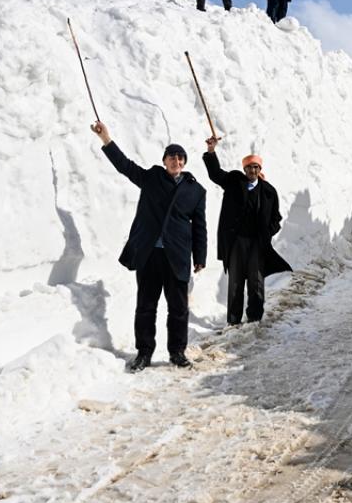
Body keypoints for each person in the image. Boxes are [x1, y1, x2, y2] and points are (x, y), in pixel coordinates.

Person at [91, 121, 207, 372]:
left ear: (184, 162)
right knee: (145, 307)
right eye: (171, 157)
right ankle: (144, 352)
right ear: (164, 161)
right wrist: (106, 139)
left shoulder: (196, 190)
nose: (176, 161)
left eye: (180, 157)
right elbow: (125, 166)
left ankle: (177, 352)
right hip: (149, 254)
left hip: (177, 256)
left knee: (178, 309)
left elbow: (200, 226)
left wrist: (200, 256)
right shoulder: (152, 178)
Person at [203, 136, 290, 326]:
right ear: (244, 169)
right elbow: (216, 174)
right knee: (235, 282)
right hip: (236, 242)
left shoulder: (269, 191)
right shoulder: (234, 181)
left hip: (257, 244)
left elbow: (276, 219)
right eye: (249, 167)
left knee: (256, 282)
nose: (252, 170)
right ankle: (233, 322)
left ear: (260, 169)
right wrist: (211, 152)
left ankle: (254, 319)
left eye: (256, 167)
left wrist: (266, 233)